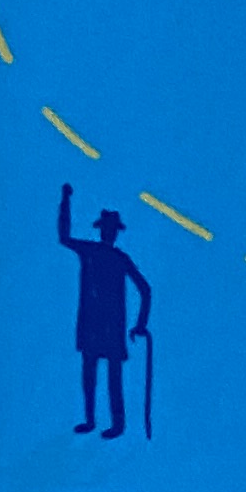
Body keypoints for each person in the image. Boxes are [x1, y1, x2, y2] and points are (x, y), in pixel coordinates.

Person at [58, 184, 152, 437]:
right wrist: (65, 200)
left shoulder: (111, 256)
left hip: (105, 325)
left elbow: (145, 290)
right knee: (95, 374)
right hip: (98, 324)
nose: (108, 233)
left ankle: (114, 424)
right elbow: (64, 237)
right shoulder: (101, 254)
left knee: (107, 375)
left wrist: (141, 323)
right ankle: (94, 421)